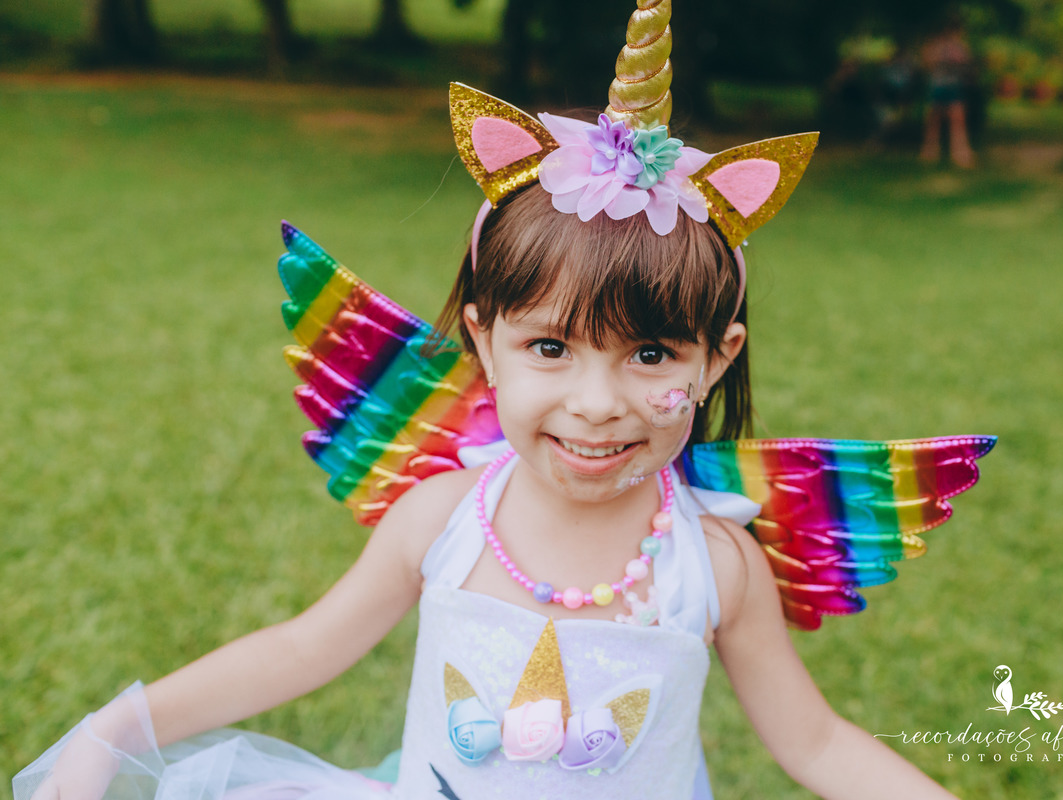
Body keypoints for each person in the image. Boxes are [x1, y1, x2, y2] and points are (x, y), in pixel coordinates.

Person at [16, 4, 982, 799]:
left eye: (651, 353)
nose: (598, 404)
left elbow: (813, 744)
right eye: (550, 348)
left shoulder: (713, 566)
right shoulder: (445, 519)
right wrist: (118, 728)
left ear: (718, 357)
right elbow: (305, 647)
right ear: (484, 336)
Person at [919, 15, 976, 168]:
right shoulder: (934, 46)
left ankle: (960, 154)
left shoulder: (960, 46)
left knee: (957, 121)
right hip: (938, 86)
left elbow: (967, 64)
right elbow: (927, 63)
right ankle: (930, 153)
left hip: (953, 86)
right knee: (934, 122)